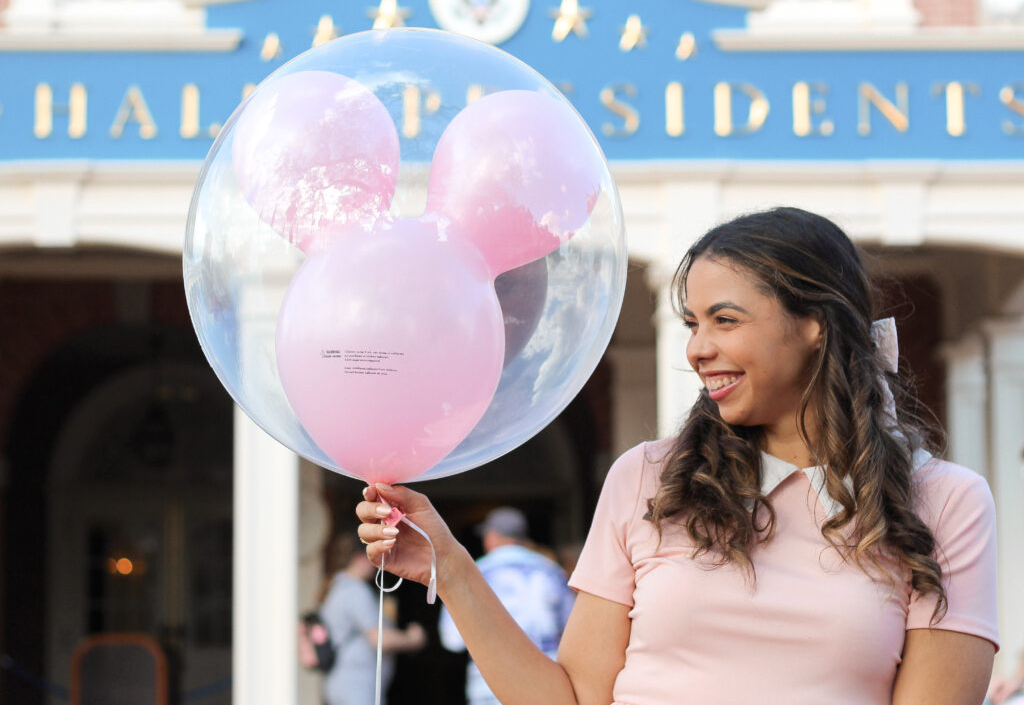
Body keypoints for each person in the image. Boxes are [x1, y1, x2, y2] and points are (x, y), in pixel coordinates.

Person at [356, 206, 999, 705]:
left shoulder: (944, 502)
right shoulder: (647, 479)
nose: (696, 348)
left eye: (725, 320)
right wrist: (452, 566)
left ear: (815, 326)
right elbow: (573, 698)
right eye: (692, 324)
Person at [438, 507, 575, 705]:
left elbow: (452, 640)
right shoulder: (551, 570)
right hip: (546, 685)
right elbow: (572, 630)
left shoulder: (475, 572)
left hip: (490, 687)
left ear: (492, 537)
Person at [318, 532, 426, 705]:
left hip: (339, 684)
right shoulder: (356, 591)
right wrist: (413, 639)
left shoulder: (336, 587)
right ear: (360, 557)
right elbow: (380, 639)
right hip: (357, 685)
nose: (377, 564)